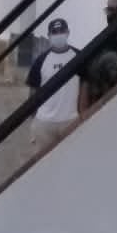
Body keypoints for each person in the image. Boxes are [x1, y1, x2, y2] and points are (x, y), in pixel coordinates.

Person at [27, 17, 81, 149]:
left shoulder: (79, 56)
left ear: (68, 32)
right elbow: (33, 91)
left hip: (70, 120)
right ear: (49, 36)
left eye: (61, 31)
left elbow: (85, 84)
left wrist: (81, 113)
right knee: (42, 163)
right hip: (44, 123)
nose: (58, 35)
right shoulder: (40, 61)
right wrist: (34, 120)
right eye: (54, 32)